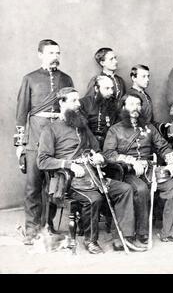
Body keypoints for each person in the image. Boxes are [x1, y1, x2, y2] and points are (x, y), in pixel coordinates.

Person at [37, 87, 145, 254]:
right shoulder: (50, 129)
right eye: (73, 101)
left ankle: (123, 238)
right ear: (61, 103)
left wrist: (99, 158)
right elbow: (42, 161)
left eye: (78, 100)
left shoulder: (82, 126)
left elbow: (97, 150)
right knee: (94, 198)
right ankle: (90, 241)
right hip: (68, 180)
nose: (78, 104)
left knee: (125, 189)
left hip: (92, 175)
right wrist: (69, 165)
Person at [103, 94, 173, 245]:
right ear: (123, 107)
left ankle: (169, 231)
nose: (135, 108)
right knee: (141, 189)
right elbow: (109, 154)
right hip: (127, 172)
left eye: (138, 104)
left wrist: (171, 162)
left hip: (149, 170)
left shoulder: (149, 128)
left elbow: (164, 147)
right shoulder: (114, 130)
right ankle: (141, 232)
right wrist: (130, 161)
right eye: (131, 104)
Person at [15, 39, 74, 244]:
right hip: (36, 135)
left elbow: (71, 110)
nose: (55, 56)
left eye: (57, 53)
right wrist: (20, 144)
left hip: (58, 136)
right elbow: (22, 112)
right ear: (40, 54)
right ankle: (32, 229)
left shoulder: (66, 79)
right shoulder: (30, 79)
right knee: (33, 184)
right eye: (50, 53)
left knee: (56, 183)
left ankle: (48, 226)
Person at [80, 75, 119, 149]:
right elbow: (82, 128)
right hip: (87, 143)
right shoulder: (83, 103)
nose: (111, 92)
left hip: (108, 142)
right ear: (96, 88)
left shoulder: (114, 105)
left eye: (112, 88)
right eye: (107, 88)